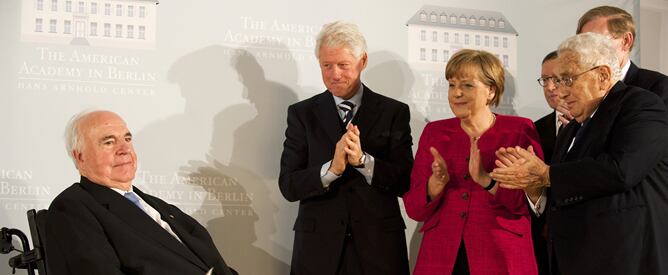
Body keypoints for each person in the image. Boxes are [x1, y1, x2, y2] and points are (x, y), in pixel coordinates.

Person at [491, 33, 668, 275]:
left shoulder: (641, 105)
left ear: (603, 76)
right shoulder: (572, 127)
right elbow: (563, 190)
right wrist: (534, 188)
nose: (560, 92)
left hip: (624, 259)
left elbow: (620, 170)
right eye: (554, 80)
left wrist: (546, 173)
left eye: (567, 79)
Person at [278, 21, 413, 275]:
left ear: (362, 61)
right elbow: (289, 185)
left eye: (343, 65)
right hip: (318, 255)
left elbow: (405, 181)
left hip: (380, 252)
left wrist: (363, 161)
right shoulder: (301, 114)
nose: (334, 74)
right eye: (326, 66)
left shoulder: (394, 112)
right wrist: (331, 169)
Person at [45, 110, 238, 275]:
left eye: (127, 139)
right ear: (81, 157)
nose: (125, 149)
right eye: (109, 142)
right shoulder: (72, 208)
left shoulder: (159, 206)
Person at [403, 49, 541, 274]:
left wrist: (487, 180)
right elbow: (414, 209)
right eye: (451, 85)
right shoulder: (434, 132)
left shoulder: (519, 130)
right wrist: (435, 185)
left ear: (491, 90)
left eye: (467, 85)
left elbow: (529, 203)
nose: (456, 93)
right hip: (442, 256)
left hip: (501, 254)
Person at [577, 5, 668, 107]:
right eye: (583, 43)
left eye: (598, 41)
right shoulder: (578, 88)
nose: (588, 50)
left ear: (626, 41)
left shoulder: (658, 86)